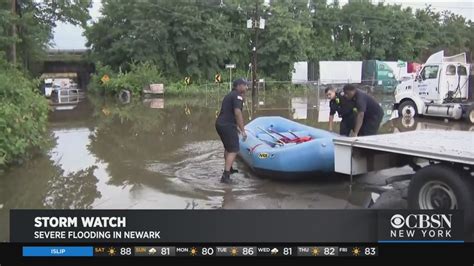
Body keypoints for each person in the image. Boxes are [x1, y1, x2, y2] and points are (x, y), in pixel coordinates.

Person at [215, 78, 248, 183]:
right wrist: (243, 130)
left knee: (228, 148)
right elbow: (237, 113)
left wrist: (236, 126)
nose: (246, 87)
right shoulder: (237, 96)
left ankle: (229, 168)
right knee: (234, 149)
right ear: (238, 86)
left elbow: (228, 112)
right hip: (227, 125)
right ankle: (226, 176)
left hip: (220, 124)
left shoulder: (230, 95)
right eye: (244, 85)